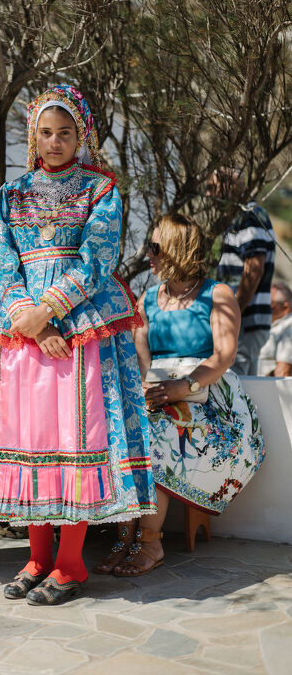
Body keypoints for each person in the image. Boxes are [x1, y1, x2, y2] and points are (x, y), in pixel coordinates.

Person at [0, 84, 156, 606]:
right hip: (25, 337)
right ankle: (37, 557)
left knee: (73, 443)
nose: (54, 142)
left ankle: (71, 562)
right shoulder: (10, 196)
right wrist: (26, 317)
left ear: (80, 135)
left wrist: (49, 310)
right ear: (33, 135)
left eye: (64, 133)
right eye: (45, 132)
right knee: (32, 445)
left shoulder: (101, 190)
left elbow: (97, 258)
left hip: (79, 330)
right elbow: (1, 262)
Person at [107, 214, 265, 577]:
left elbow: (224, 356)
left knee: (159, 435)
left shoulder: (217, 294)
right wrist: (145, 390)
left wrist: (186, 385)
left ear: (177, 248)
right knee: (126, 430)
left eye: (155, 247)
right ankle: (124, 537)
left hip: (210, 398)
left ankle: (150, 542)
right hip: (162, 393)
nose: (149, 255)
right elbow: (142, 358)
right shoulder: (147, 299)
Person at [209, 170, 276, 375]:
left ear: (230, 186)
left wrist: (233, 314)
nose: (209, 194)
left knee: (231, 385)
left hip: (244, 323)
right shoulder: (244, 216)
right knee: (246, 391)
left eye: (212, 187)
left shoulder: (248, 216)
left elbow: (254, 268)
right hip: (247, 323)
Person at [258, 282, 292, 377]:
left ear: (285, 307)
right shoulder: (268, 322)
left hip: (266, 387)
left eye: (269, 303)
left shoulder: (289, 326)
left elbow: (283, 372)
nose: (263, 306)